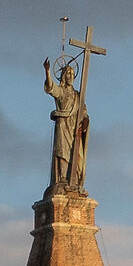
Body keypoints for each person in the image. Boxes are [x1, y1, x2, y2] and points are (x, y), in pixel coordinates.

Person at [44, 56, 88, 193]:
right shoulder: (62, 91)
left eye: (72, 74)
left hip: (75, 128)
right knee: (62, 151)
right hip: (63, 125)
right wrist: (47, 71)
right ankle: (62, 178)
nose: (70, 76)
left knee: (76, 154)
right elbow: (51, 88)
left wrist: (85, 121)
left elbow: (84, 111)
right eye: (67, 73)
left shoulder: (77, 95)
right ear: (63, 76)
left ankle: (73, 179)